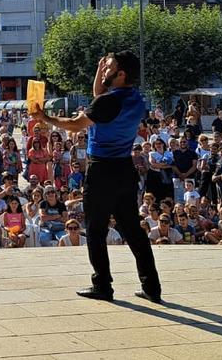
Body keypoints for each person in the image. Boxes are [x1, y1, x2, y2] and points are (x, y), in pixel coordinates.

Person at [30, 51, 161, 303]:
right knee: (133, 229)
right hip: (125, 169)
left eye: (109, 67)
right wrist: (99, 71)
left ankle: (102, 284)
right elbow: (99, 97)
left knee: (96, 229)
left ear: (121, 74)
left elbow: (76, 123)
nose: (104, 70)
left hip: (102, 170)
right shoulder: (135, 98)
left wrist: (44, 117)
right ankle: (151, 286)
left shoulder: (107, 103)